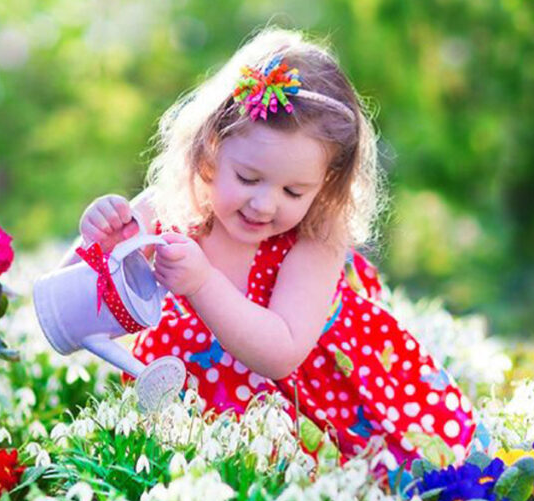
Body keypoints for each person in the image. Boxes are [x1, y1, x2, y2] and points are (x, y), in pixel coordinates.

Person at [66, 28, 473, 464]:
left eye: (294, 192)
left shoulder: (317, 237)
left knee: (404, 490)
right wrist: (99, 246)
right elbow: (71, 308)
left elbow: (280, 353)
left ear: (326, 186)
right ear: (209, 151)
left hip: (320, 423)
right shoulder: (169, 207)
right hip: (195, 434)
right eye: (248, 178)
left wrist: (202, 284)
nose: (264, 204)